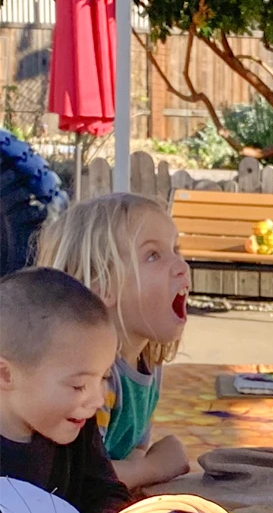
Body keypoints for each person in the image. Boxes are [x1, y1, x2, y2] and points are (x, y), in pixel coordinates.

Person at [37, 193, 191, 490]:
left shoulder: (145, 361)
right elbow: (81, 479)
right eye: (153, 255)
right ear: (103, 285)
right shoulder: (92, 378)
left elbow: (130, 452)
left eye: (176, 249)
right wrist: (156, 467)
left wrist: (140, 464)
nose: (182, 265)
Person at [0, 268, 131, 513]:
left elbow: (108, 493)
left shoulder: (78, 425)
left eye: (104, 377)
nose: (98, 399)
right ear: (5, 375)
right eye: (79, 385)